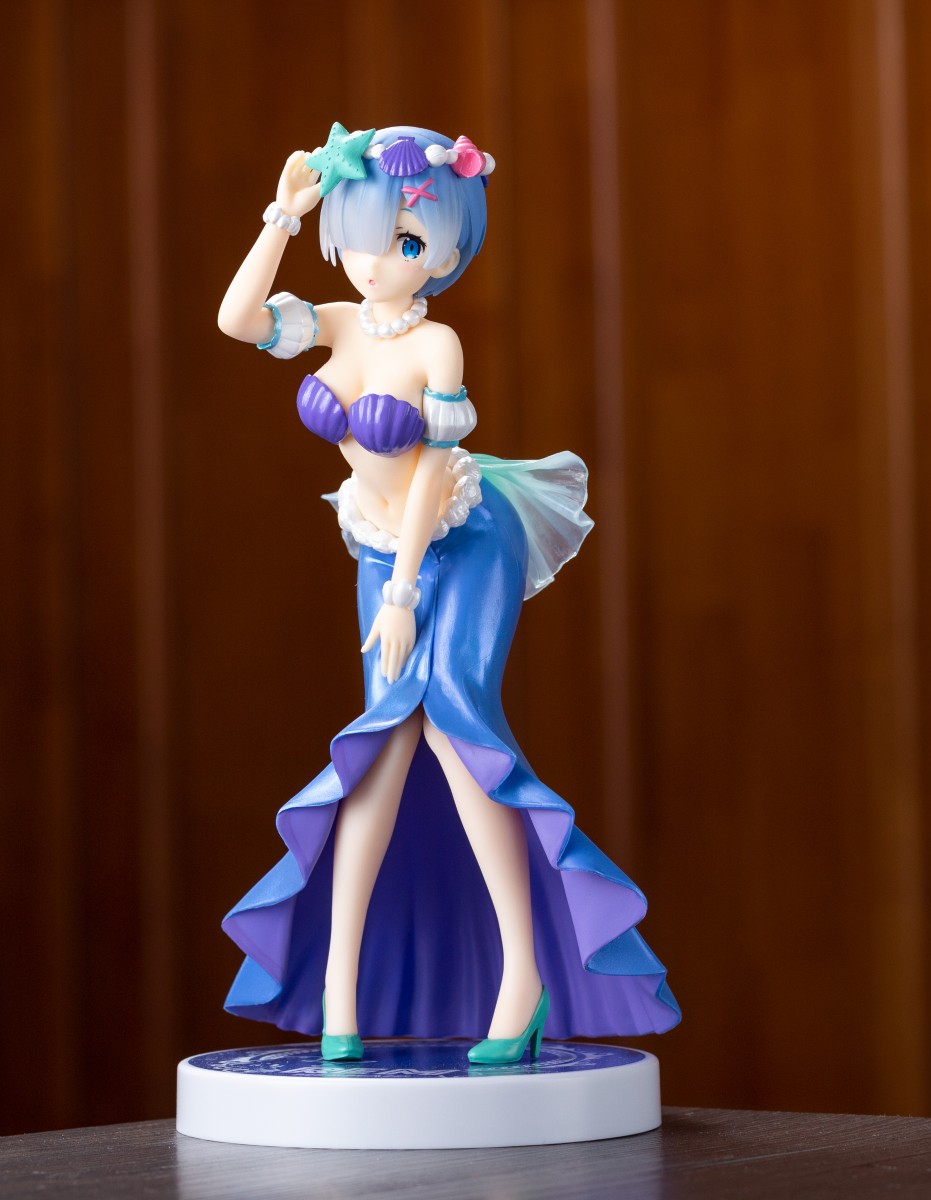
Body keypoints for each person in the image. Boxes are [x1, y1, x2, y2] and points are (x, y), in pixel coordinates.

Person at [215, 123, 678, 1063]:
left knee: (454, 728)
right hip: (377, 542)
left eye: (408, 241)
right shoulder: (338, 321)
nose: (379, 261)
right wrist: (283, 219)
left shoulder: (438, 343)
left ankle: (523, 976)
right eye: (362, 237)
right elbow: (237, 319)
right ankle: (338, 986)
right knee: (377, 746)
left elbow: (431, 468)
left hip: (461, 542)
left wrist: (403, 591)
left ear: (446, 250)